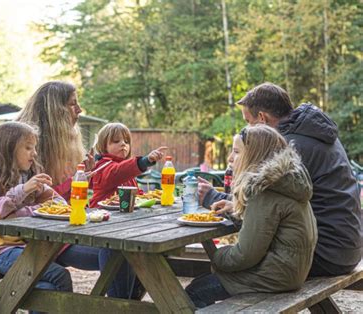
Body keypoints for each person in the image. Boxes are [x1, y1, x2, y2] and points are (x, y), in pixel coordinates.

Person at [201, 82, 362, 276]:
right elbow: (268, 203)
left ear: (262, 118)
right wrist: (228, 201)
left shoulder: (285, 149)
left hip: (323, 253)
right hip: (348, 247)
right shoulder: (315, 133)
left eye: (249, 122)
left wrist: (212, 197)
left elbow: (263, 211)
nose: (248, 130)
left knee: (221, 277)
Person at [0, 121, 136, 299]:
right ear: (9, 149)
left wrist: (25, 210)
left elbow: (59, 203)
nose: (35, 153)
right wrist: (23, 191)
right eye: (28, 148)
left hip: (27, 244)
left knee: (120, 255)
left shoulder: (28, 175)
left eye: (35, 147)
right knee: (59, 276)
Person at [186, 124, 318, 308]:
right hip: (290, 271)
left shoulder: (264, 191)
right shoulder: (285, 183)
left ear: (255, 155)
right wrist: (236, 209)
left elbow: (245, 255)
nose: (230, 158)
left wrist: (216, 256)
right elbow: (269, 223)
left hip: (273, 277)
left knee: (194, 292)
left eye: (237, 152)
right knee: (203, 282)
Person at [17, 81, 93, 201]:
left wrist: (84, 176)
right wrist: (73, 182)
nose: (79, 110)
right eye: (72, 104)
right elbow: (39, 200)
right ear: (55, 111)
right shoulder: (28, 147)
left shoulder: (69, 144)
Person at [89, 122, 167, 208]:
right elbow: (118, 172)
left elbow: (133, 191)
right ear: (104, 146)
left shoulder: (125, 166)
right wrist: (145, 161)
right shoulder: (103, 166)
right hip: (102, 213)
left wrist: (142, 196)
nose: (123, 144)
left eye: (126, 141)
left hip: (123, 214)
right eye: (116, 141)